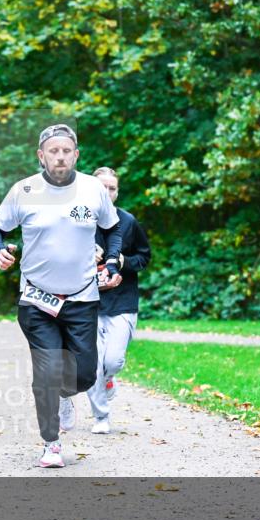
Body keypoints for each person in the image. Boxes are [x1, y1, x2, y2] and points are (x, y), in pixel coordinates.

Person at [0, 124, 122, 468]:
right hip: (36, 299)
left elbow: (113, 228)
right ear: (41, 155)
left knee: (85, 374)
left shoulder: (93, 189)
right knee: (45, 372)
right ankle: (51, 443)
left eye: (66, 151)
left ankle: (65, 395)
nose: (59, 157)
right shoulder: (24, 190)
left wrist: (115, 259)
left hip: (82, 297)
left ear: (76, 155)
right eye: (53, 151)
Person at [85, 167, 151, 435]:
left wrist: (123, 262)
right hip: (87, 302)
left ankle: (109, 379)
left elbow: (143, 258)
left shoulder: (128, 222)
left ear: (117, 192)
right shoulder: (79, 222)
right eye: (102, 187)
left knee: (112, 361)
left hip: (122, 302)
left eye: (112, 188)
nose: (107, 192)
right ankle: (101, 417)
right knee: (92, 363)